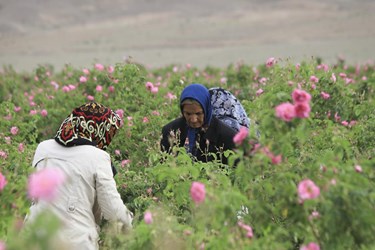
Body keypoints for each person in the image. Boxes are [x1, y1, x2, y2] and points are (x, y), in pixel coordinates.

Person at [24, 102, 133, 250]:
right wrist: (131, 225)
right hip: (75, 242)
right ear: (99, 130)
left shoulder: (43, 148)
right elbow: (113, 211)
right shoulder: (98, 157)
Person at [160, 83, 238, 164]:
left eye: (198, 113)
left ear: (206, 109)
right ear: (182, 112)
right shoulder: (170, 131)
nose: (193, 120)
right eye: (188, 114)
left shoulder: (227, 136)